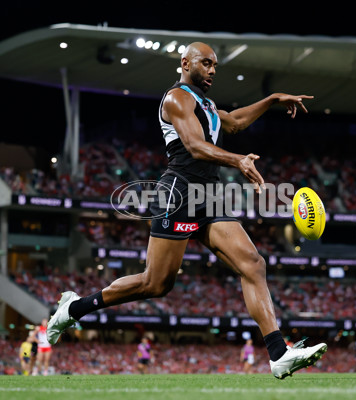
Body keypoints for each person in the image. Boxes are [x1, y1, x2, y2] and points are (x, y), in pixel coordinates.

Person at [47, 41, 327, 379]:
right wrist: (237, 159)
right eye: (205, 63)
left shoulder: (205, 103)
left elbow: (234, 122)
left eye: (214, 66)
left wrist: (271, 100)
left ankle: (279, 353)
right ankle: (73, 308)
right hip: (179, 193)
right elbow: (194, 146)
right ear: (185, 63)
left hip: (208, 194)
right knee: (156, 284)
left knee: (253, 263)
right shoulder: (177, 98)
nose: (211, 71)